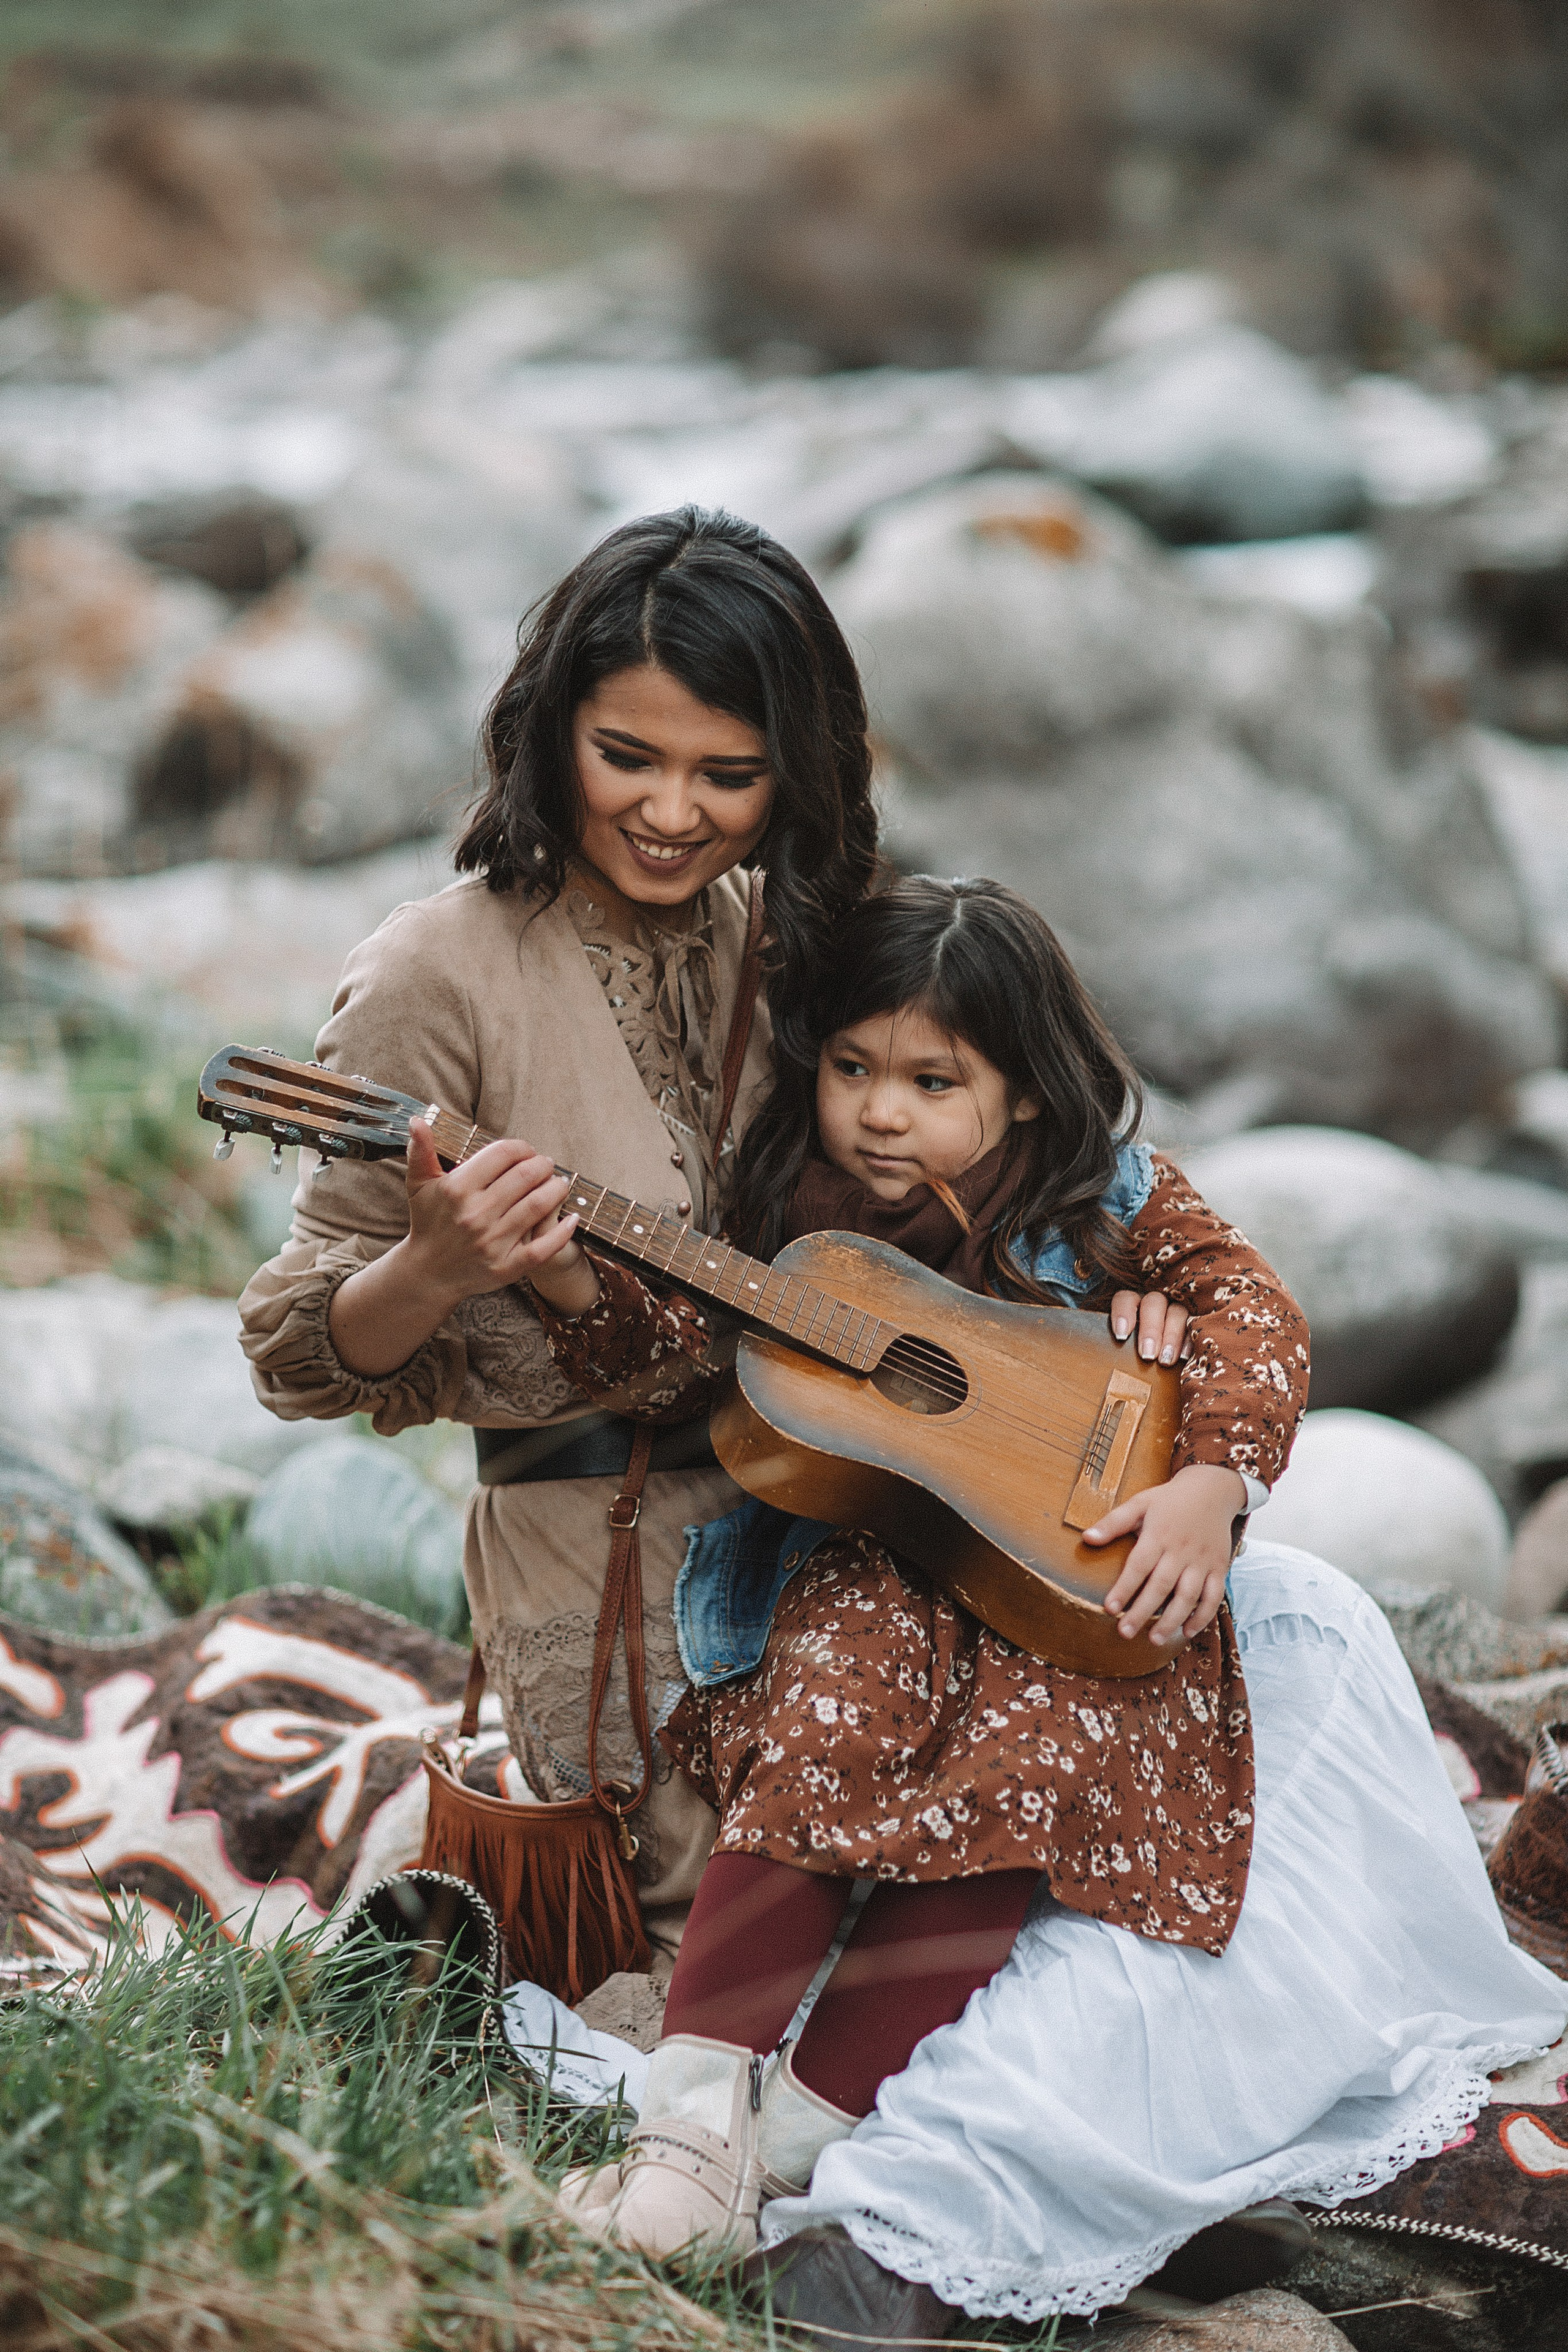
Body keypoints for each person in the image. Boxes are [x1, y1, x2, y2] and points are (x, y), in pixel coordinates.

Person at [516, 875, 1566, 2332]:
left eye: (931, 1081)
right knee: (825, 1730)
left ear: (1015, 1095)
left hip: (1072, 1575)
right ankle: (690, 2126)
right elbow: (673, 1344)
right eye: (851, 1070)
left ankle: (805, 2136)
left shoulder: (1101, 1193)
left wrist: (1210, 1479)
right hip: (869, 1570)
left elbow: (1249, 1305)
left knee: (1036, 1783)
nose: (880, 1113)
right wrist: (566, 1274)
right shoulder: (780, 1200)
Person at [236, 510, 1182, 1993]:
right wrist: (429, 1268)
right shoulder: (437, 974)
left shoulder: (795, 934)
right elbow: (298, 1355)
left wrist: (1131, 1310)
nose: (674, 812)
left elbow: (1012, 1162)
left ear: (793, 773)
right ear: (549, 735)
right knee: (735, 1982)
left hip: (865, 1515)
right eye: (629, 758)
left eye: (728, 777)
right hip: (599, 1561)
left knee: (1051, 1880)